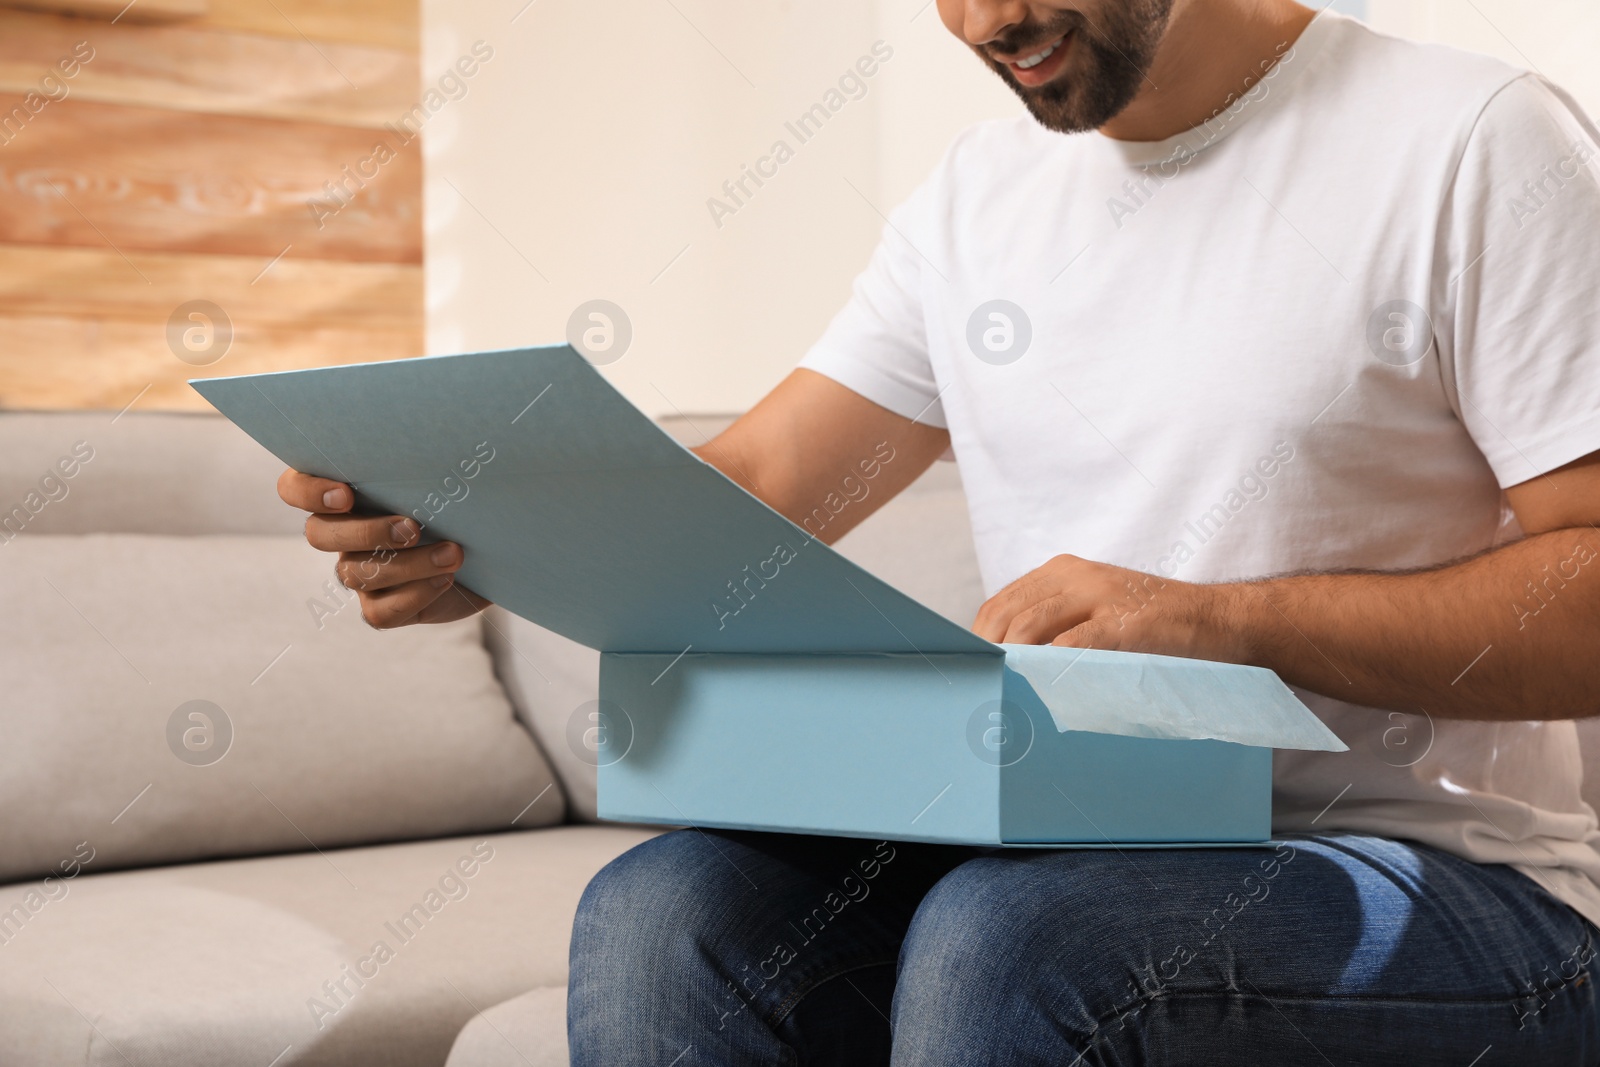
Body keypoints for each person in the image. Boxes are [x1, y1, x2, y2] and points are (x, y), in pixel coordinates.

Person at [276, 0, 1600, 1060]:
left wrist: (1219, 619)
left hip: (1449, 880)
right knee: (661, 912)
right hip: (1081, 839)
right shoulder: (978, 199)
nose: (983, 22)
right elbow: (760, 478)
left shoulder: (1472, 141)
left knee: (1015, 938)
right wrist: (485, 539)